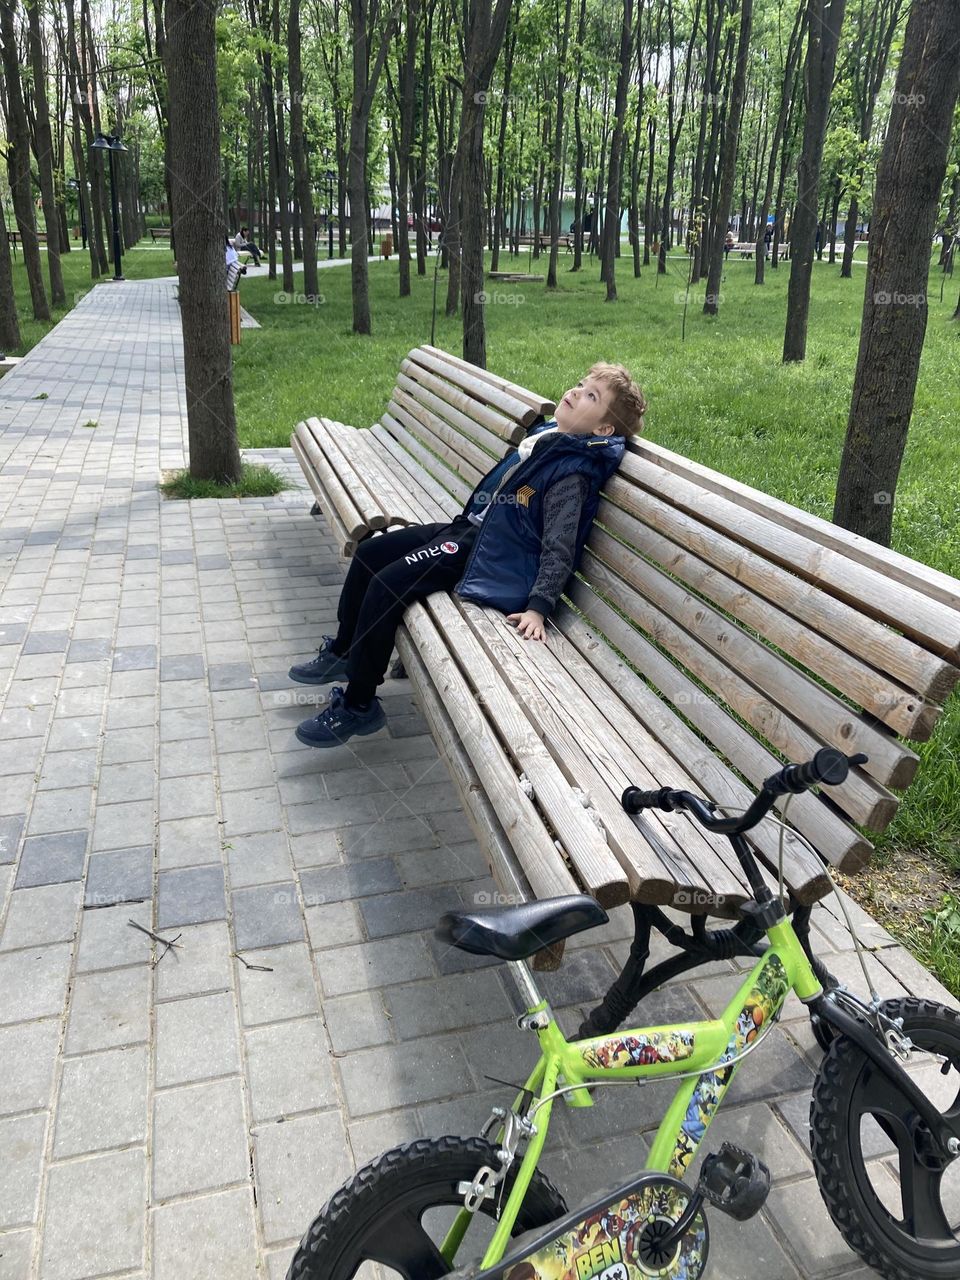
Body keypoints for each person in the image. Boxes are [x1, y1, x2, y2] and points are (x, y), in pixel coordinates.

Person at [289, 363, 648, 748]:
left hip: (486, 550)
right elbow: (525, 496)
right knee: (370, 552)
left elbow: (561, 544)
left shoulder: (572, 473)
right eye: (580, 384)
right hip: (470, 528)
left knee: (388, 584)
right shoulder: (551, 439)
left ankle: (359, 704)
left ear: (603, 429)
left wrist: (539, 606)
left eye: (591, 396)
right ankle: (344, 650)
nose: (576, 392)